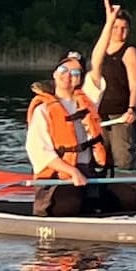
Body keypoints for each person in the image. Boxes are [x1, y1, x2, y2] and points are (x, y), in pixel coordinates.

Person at [83, 0, 136, 216]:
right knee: (102, 158)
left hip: (122, 113)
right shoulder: (100, 53)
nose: (121, 32)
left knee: (123, 160)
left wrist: (132, 109)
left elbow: (135, 84)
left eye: (125, 28)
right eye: (117, 27)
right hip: (100, 115)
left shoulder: (129, 52)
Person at [23, 76, 95, 217]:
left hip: (89, 175)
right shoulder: (43, 110)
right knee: (71, 203)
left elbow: (97, 77)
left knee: (130, 198)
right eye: (64, 70)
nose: (68, 75)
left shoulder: (88, 105)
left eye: (75, 72)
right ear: (55, 75)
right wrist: (73, 171)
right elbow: (40, 152)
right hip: (57, 178)